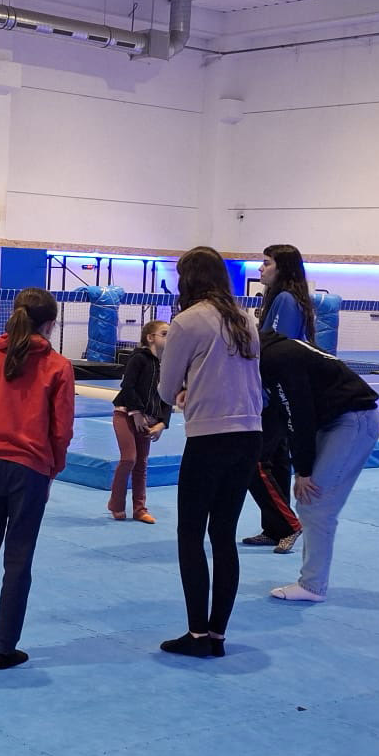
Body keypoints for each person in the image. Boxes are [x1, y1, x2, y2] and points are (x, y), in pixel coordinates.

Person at [0, 288, 75, 671]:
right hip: (30, 469)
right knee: (18, 560)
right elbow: (61, 429)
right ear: (51, 324)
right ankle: (6, 647)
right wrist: (52, 468)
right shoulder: (57, 366)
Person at [157, 247, 262, 658]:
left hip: (210, 436)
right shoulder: (245, 319)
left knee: (190, 534)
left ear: (188, 279)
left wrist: (183, 390)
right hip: (248, 433)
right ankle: (217, 634)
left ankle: (197, 633)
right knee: (223, 535)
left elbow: (166, 388)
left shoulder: (188, 321)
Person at [258, 329, 379, 603]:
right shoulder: (278, 348)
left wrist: (303, 470)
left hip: (351, 421)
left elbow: (297, 414)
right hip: (336, 420)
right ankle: (312, 582)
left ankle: (313, 586)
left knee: (316, 503)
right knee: (309, 503)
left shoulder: (276, 357)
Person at [244, 244, 313, 554]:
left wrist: (263, 392)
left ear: (282, 268)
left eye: (266, 263)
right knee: (276, 461)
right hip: (282, 390)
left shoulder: (285, 299)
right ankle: (274, 528)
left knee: (253, 462)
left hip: (276, 391)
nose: (260, 268)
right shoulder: (284, 298)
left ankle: (287, 524)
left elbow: (275, 347)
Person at [108, 319, 171, 524]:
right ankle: (116, 504)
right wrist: (136, 412)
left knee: (141, 464)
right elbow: (128, 385)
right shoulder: (138, 358)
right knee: (129, 459)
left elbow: (168, 396)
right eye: (164, 334)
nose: (169, 338)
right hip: (125, 414)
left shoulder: (168, 364)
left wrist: (162, 423)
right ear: (150, 338)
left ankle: (139, 509)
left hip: (147, 420)